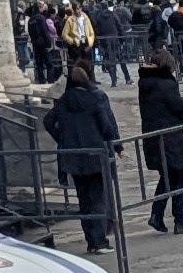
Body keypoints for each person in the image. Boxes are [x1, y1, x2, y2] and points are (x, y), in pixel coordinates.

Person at [41, 44, 122, 253]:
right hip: (95, 154)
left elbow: (48, 121)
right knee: (97, 197)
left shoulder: (64, 101)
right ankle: (99, 241)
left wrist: (63, 138)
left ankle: (91, 240)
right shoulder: (95, 98)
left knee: (84, 198)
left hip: (73, 156)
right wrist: (116, 145)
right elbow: (106, 125)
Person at [136, 43, 183, 234]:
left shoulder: (145, 83)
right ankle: (180, 220)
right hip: (171, 138)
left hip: (153, 138)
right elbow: (178, 106)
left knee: (167, 177)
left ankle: (156, 215)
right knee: (179, 177)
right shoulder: (166, 84)